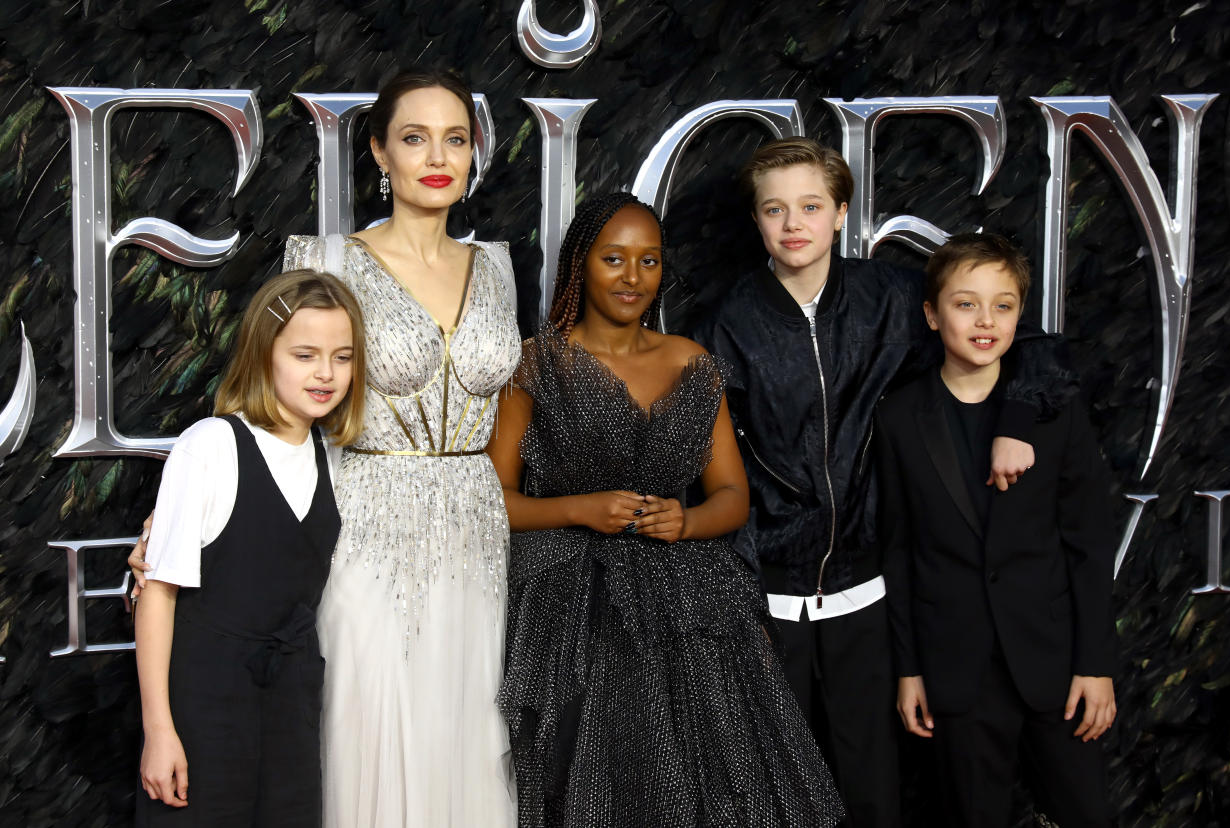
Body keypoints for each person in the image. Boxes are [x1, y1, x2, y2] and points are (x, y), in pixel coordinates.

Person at [132, 68, 521, 826]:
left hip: (476, 534)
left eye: (456, 138)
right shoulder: (327, 261)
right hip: (364, 527)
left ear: (475, 153)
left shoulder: (500, 268)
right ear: (379, 153)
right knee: (360, 728)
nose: (437, 156)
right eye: (414, 138)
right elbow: (274, 408)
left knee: (466, 734)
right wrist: (174, 528)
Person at [693, 138, 1077, 827]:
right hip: (771, 598)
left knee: (874, 796)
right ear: (755, 222)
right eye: (774, 209)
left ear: (841, 212)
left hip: (867, 593)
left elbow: (1036, 347)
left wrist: (1017, 417)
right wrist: (739, 598)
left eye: (810, 205)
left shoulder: (892, 299)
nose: (793, 224)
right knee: (767, 796)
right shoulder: (730, 324)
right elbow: (711, 469)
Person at [488, 192, 845, 827]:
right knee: (594, 786)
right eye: (614, 259)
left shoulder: (691, 361)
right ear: (580, 264)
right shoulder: (536, 363)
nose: (632, 278)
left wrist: (687, 522)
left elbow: (733, 498)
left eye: (648, 261)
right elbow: (493, 503)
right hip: (572, 611)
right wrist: (579, 509)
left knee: (717, 792)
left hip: (689, 608)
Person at [876, 232, 1117, 827]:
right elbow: (899, 550)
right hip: (956, 668)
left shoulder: (1051, 407)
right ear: (932, 315)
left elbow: (1088, 544)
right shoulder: (900, 416)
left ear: (1018, 316)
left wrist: (1096, 664)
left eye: (1003, 305)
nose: (986, 321)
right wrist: (909, 670)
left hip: (1055, 665)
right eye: (965, 304)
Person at [134, 269, 365, 827]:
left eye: (342, 356)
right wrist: (159, 731)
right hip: (206, 697)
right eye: (305, 354)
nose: (326, 374)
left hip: (291, 699)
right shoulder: (211, 445)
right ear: (265, 353)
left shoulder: (330, 455)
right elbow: (157, 595)